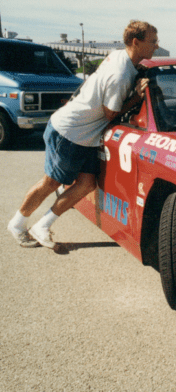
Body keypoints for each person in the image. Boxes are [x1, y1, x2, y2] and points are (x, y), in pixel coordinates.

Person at [7, 20, 159, 249]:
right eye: (153, 41)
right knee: (51, 182)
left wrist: (138, 72)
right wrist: (136, 99)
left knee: (86, 184)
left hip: (85, 135)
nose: (157, 46)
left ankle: (41, 226)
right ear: (136, 42)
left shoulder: (121, 57)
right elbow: (110, 114)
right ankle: (17, 225)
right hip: (68, 132)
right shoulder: (120, 75)